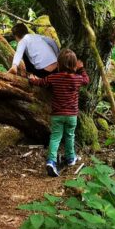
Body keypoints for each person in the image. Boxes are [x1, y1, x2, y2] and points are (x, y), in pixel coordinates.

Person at [28, 49, 89, 177]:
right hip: (72, 115)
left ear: (59, 64)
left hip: (57, 115)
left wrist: (32, 79)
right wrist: (81, 68)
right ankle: (70, 158)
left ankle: (51, 161)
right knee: (70, 136)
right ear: (73, 65)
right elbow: (86, 80)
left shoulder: (53, 78)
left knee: (55, 138)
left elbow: (41, 82)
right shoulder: (77, 79)